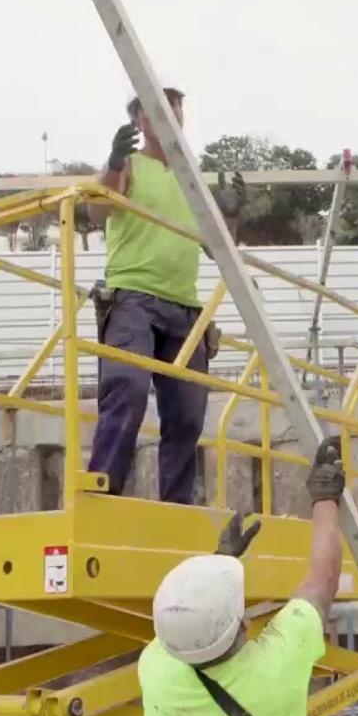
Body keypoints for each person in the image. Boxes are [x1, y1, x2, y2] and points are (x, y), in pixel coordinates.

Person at [139, 436, 347, 716]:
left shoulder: (154, 669)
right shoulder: (276, 669)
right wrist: (325, 497)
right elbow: (322, 580)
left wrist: (216, 567)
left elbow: (188, 622)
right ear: (244, 627)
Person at [87, 86, 246, 504]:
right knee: (127, 386)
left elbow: (218, 249)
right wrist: (112, 165)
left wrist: (229, 216)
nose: (172, 115)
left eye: (177, 109)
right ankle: (102, 492)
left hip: (185, 309)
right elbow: (96, 211)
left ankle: (176, 505)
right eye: (161, 109)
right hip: (133, 299)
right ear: (141, 121)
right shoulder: (129, 165)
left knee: (188, 413)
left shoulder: (192, 179)